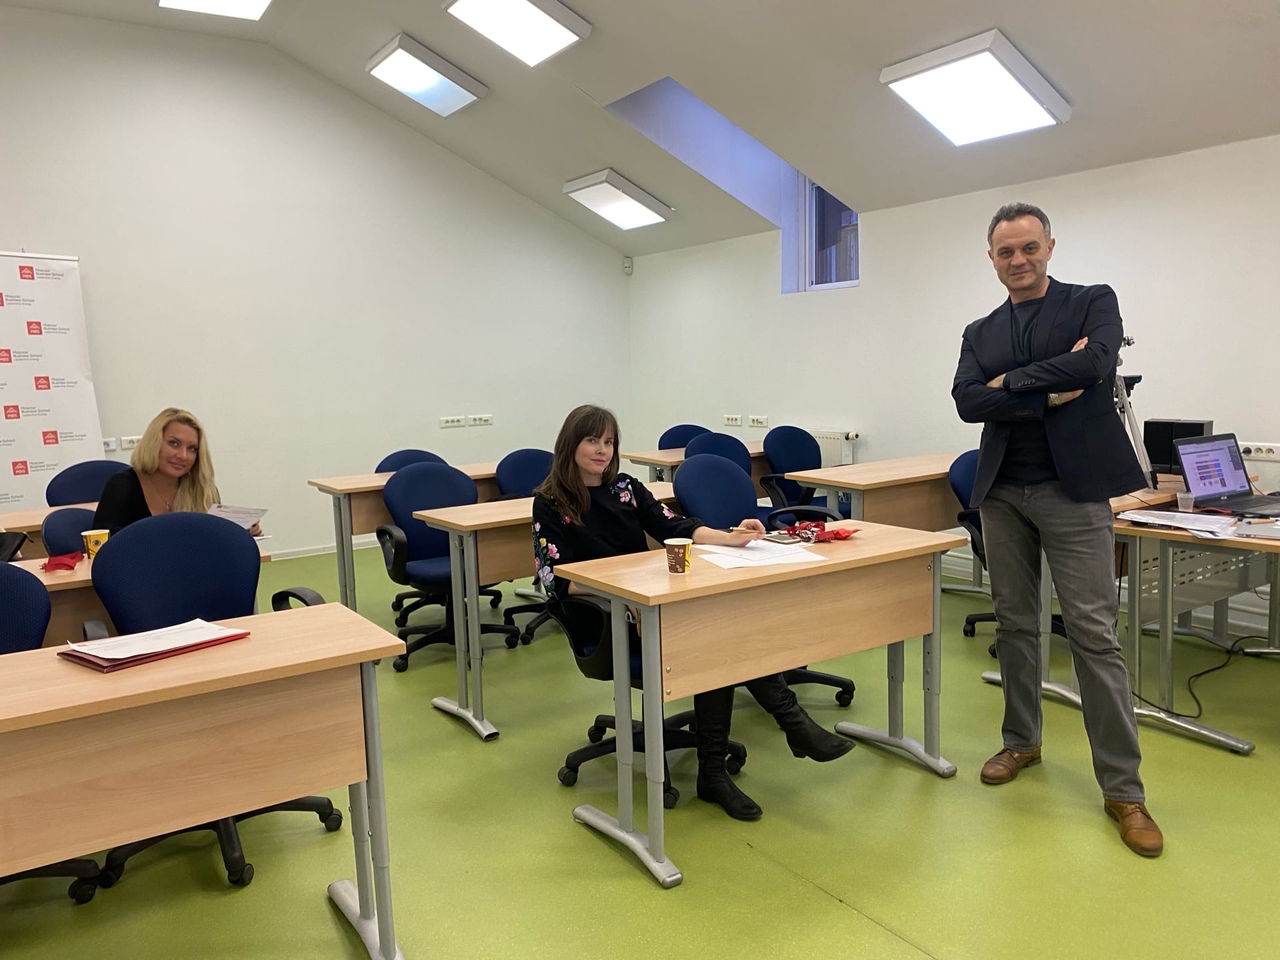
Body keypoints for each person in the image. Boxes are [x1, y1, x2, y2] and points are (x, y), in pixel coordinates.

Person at [951, 202, 1162, 857]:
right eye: (1006, 252)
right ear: (991, 259)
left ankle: (1124, 791)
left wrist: (1011, 383)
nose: (1018, 260)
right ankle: (1022, 742)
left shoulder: (1091, 301)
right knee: (1016, 625)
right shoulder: (980, 330)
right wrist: (1046, 391)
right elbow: (967, 401)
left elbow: (1095, 364)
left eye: (1029, 248)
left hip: (1074, 491)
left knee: (1094, 637)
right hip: (1001, 491)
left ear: (1049, 247)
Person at [532, 404, 853, 821]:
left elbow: (675, 526)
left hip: (650, 609)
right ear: (571, 444)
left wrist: (731, 538)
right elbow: (554, 578)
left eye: (609, 442)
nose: (602, 450)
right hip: (602, 619)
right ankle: (777, 735)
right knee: (717, 640)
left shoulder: (625, 488)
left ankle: (732, 763)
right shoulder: (550, 503)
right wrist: (619, 594)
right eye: (592, 440)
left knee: (721, 633)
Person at [92, 407, 261, 536]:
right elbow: (102, 547)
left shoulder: (203, 490)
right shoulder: (122, 487)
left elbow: (213, 539)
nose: (183, 455)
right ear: (154, 443)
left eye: (192, 448)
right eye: (174, 443)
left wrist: (242, 534)